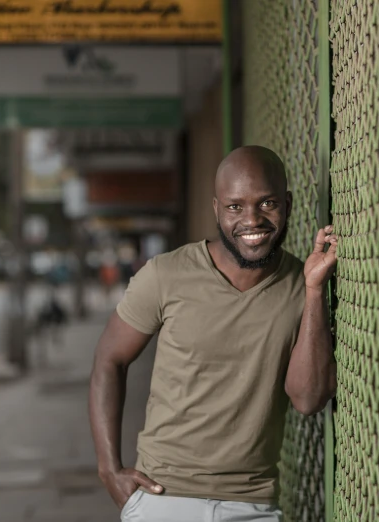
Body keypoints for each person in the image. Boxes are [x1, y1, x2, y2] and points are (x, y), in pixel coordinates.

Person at [89, 146, 338, 521]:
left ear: (286, 203)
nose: (251, 220)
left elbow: (308, 399)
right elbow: (110, 358)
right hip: (163, 495)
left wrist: (316, 291)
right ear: (217, 209)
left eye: (266, 203)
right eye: (235, 207)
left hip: (252, 504)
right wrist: (109, 469)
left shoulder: (303, 286)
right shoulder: (165, 275)